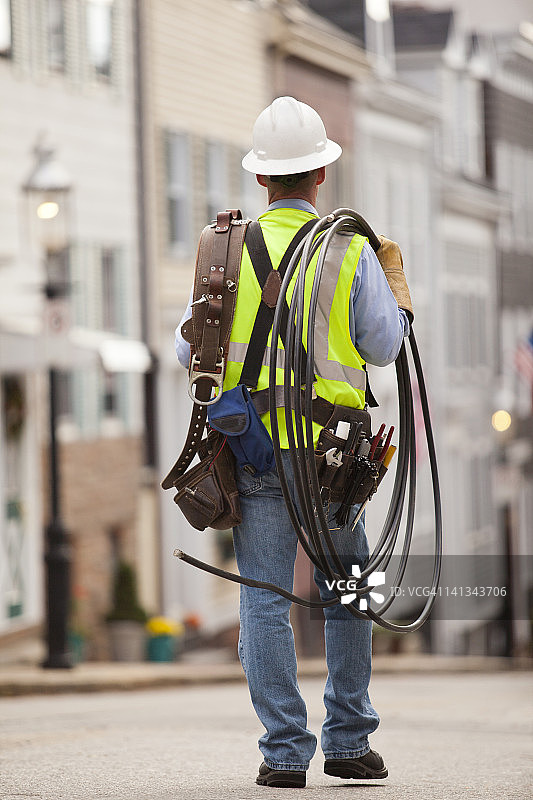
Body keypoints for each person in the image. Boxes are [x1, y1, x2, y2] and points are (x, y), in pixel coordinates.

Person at [175, 96, 412, 789]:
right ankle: (347, 742)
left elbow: (192, 350)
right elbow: (384, 344)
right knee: (344, 591)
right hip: (334, 459)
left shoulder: (219, 250)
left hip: (255, 454)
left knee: (263, 599)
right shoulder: (348, 250)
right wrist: (393, 289)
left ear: (260, 180)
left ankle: (283, 755)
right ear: (319, 178)